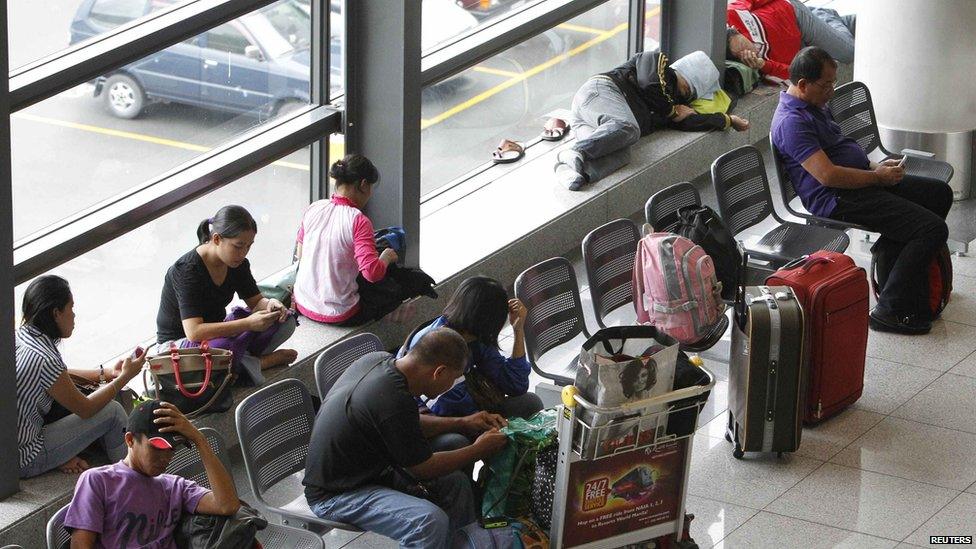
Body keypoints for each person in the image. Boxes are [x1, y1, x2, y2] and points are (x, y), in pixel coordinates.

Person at [771, 47, 952, 335]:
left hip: (860, 180)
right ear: (803, 84)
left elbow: (844, 149)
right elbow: (828, 176)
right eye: (826, 84)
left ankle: (892, 256)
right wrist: (877, 178)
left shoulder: (814, 103)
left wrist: (875, 165)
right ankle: (889, 311)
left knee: (938, 194)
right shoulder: (792, 122)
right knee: (931, 230)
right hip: (837, 198)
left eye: (833, 82)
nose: (831, 90)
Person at [304, 328, 509, 548]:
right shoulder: (393, 398)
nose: (450, 386)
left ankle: (465, 544)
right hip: (337, 493)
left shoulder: (382, 363)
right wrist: (479, 449)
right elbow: (422, 468)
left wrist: (463, 422)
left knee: (455, 478)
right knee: (427, 522)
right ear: (438, 372)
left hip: (373, 470)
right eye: (453, 378)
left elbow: (403, 422)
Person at [555, 50, 750, 191]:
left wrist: (727, 120)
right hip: (600, 93)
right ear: (684, 74)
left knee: (622, 155)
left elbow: (687, 121)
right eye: (686, 89)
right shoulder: (657, 61)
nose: (684, 96)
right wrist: (673, 111)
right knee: (629, 128)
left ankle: (573, 170)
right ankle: (576, 151)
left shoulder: (670, 105)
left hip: (596, 122)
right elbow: (650, 84)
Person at [64, 400, 240, 548]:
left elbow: (228, 505)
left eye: (172, 449)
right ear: (130, 440)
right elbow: (80, 546)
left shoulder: (175, 487)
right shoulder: (98, 481)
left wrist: (199, 440)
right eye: (157, 448)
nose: (166, 457)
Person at [16, 275, 144, 478]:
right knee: (113, 412)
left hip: (10, 449)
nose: (74, 315)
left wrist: (107, 373)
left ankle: (62, 455)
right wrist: (124, 378)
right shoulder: (46, 359)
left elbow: (60, 376)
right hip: (25, 457)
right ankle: (135, 478)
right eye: (71, 308)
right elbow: (85, 408)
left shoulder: (21, 337)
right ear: (56, 313)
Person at [156, 204, 297, 385]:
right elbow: (194, 332)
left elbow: (256, 301)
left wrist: (271, 304)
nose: (244, 252)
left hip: (217, 335)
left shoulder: (237, 263)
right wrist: (248, 324)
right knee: (223, 348)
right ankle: (261, 362)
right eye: (238, 246)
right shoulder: (186, 271)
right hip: (179, 346)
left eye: (248, 246)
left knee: (285, 321)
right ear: (216, 239)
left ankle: (238, 363)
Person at [400, 276, 544, 419]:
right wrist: (482, 421)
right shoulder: (440, 344)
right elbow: (445, 407)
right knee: (457, 441)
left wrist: (518, 330)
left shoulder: (474, 336)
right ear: (488, 322)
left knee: (530, 403)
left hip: (468, 410)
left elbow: (515, 385)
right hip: (435, 419)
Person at [293, 155, 401, 326]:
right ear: (364, 185)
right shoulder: (358, 220)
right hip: (340, 313)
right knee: (396, 288)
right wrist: (386, 258)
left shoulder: (314, 207)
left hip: (302, 303)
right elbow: (372, 273)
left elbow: (300, 254)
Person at [727, 0, 856, 84]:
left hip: (794, 15)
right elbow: (794, 73)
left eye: (743, 42)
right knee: (842, 41)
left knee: (849, 52)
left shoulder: (730, 14)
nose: (749, 49)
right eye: (741, 51)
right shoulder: (751, 63)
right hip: (797, 48)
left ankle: (820, 15)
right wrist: (763, 65)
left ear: (735, 30)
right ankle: (832, 20)